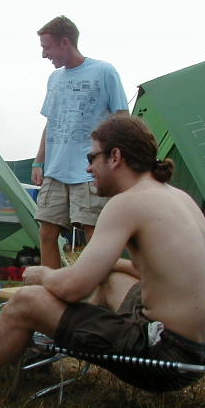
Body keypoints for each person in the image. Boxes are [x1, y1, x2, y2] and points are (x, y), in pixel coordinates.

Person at [0, 115, 205, 401]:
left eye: (92, 157)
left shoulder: (128, 202)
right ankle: (46, 336)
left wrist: (43, 275)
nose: (88, 168)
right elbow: (151, 271)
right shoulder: (176, 196)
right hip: (197, 351)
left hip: (164, 359)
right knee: (111, 277)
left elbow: (73, 288)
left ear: (115, 156)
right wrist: (104, 268)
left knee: (28, 301)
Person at [32, 15, 129, 269]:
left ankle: (96, 290)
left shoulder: (104, 71)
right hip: (55, 169)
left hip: (89, 170)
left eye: (47, 47)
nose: (44, 54)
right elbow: (51, 122)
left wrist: (115, 162)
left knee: (94, 236)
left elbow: (122, 118)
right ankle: (51, 288)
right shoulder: (54, 79)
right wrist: (38, 162)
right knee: (46, 234)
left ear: (65, 42)